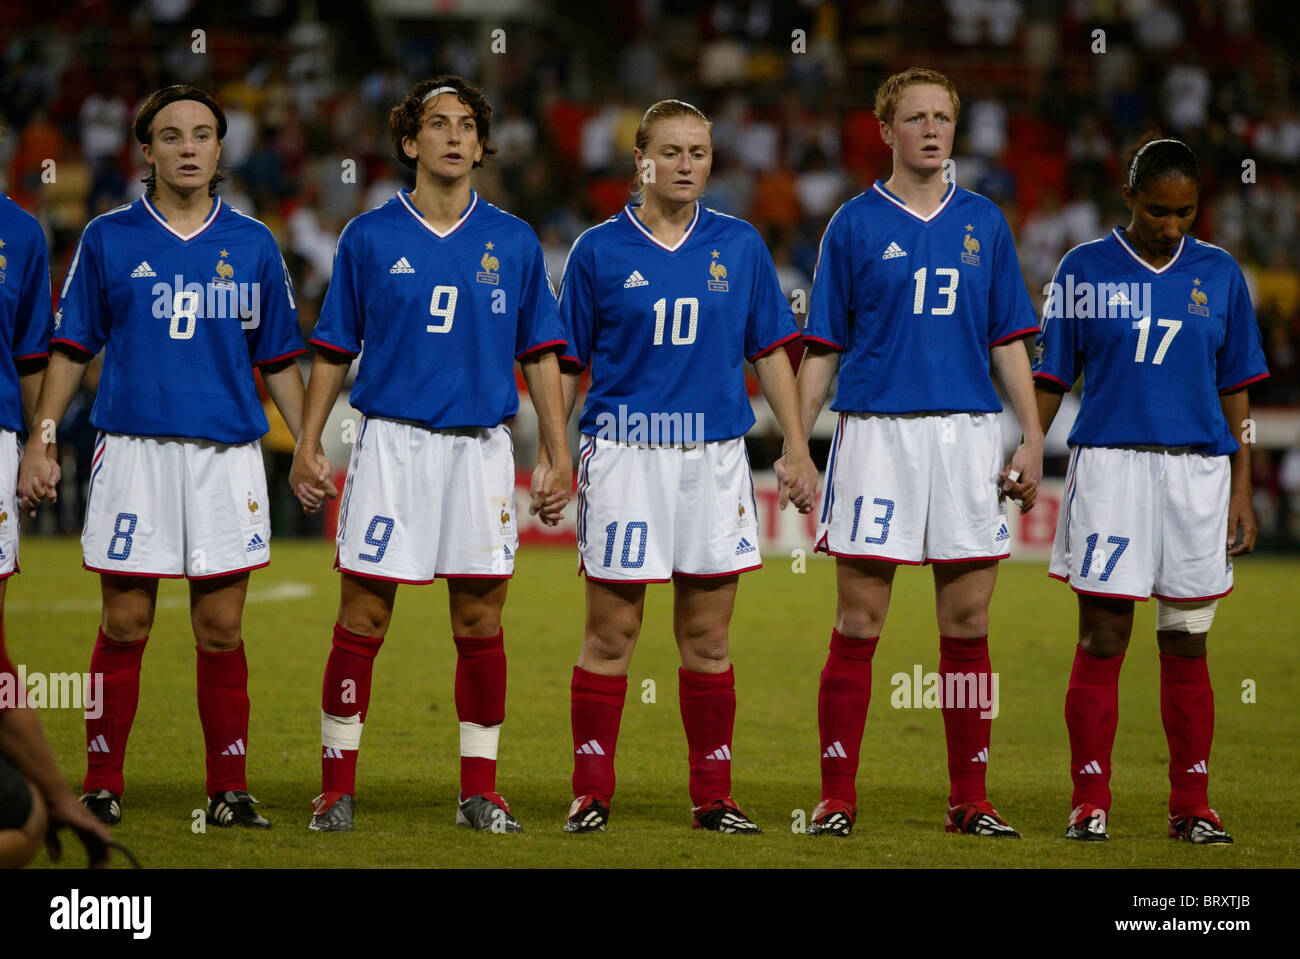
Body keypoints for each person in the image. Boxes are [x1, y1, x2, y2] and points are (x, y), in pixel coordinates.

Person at [17, 85, 307, 830]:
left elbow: (277, 357)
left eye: (203, 134)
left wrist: (307, 443)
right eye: (171, 135)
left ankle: (229, 787)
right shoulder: (110, 239)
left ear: (220, 149)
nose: (188, 147)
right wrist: (42, 441)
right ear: (145, 150)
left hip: (226, 454)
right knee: (124, 622)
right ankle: (103, 781)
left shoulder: (251, 246)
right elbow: (72, 347)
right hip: (135, 451)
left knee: (222, 629)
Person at [289, 76, 572, 834]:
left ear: (482, 145)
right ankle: (335, 786)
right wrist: (309, 442)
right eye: (437, 124)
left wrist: (556, 450)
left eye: (468, 126)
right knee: (364, 614)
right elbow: (332, 347)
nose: (454, 136)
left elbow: (541, 353)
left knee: (480, 621)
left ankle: (480, 790)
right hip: (391, 448)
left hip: (480, 451)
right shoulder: (370, 237)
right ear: (409, 142)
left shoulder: (512, 239)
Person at [788, 67, 1043, 838]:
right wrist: (798, 445)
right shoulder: (855, 224)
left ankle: (970, 797)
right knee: (860, 621)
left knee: (967, 624)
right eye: (915, 118)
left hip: (967, 434)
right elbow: (823, 347)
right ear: (886, 129)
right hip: (876, 434)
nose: (931, 130)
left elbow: (1007, 339)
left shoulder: (985, 223)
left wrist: (1031, 433)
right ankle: (837, 794)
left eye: (943, 118)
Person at [553, 99, 817, 835]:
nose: (685, 165)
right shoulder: (598, 251)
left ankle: (713, 795)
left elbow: (770, 351)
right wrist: (551, 452)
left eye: (698, 152)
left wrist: (795, 447)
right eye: (670, 152)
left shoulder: (739, 246)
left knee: (707, 639)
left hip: (715, 457)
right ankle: (591, 790)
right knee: (611, 635)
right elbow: (565, 362)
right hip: (626, 455)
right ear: (640, 160)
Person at [1033, 136, 1268, 844]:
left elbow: (1237, 389)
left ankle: (1191, 805)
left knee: (1186, 641)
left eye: (1186, 213)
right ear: (1129, 197)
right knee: (1103, 636)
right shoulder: (1084, 268)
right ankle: (1089, 800)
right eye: (1159, 211)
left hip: (1198, 472)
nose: (1171, 227)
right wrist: (1022, 448)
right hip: (1110, 467)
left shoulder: (1221, 274)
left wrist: (1240, 485)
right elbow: (1053, 377)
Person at [0, 190, 112, 867]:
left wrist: (38, 443)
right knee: (27, 820)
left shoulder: (19, 231)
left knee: (26, 817)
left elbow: (30, 354)